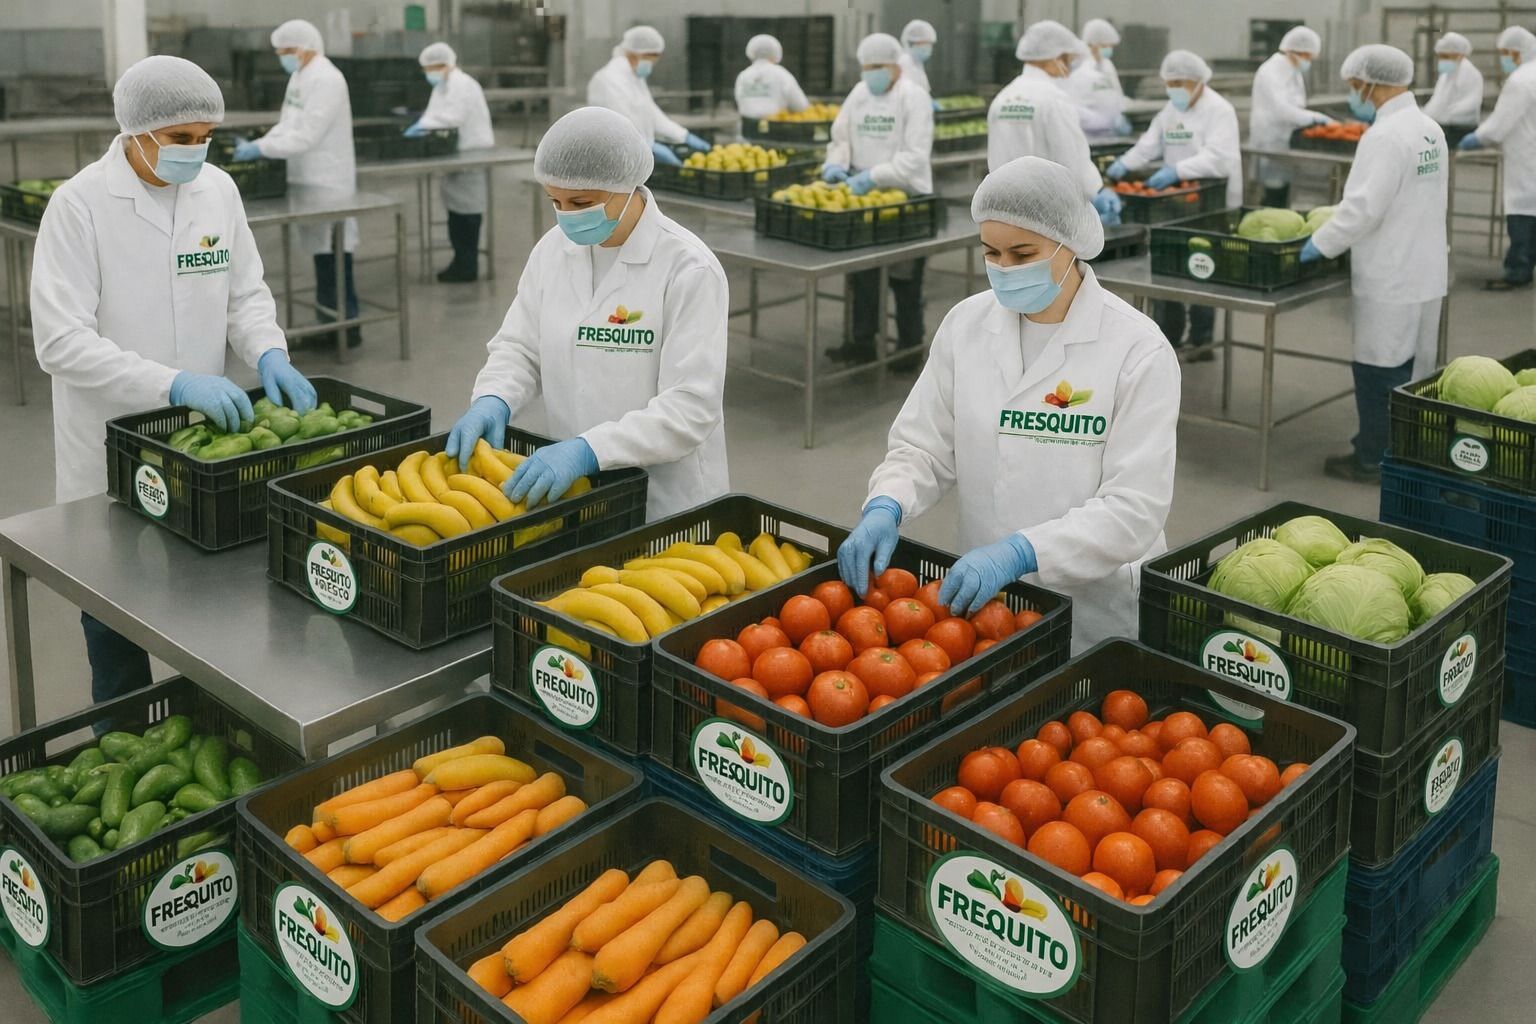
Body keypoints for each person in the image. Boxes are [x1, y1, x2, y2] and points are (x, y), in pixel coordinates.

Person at [31, 56, 315, 702]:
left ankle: (209, 730)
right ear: (136, 131)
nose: (196, 151)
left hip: (199, 447)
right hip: (107, 445)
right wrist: (175, 384)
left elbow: (245, 295)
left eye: (204, 136)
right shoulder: (79, 206)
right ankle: (121, 726)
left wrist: (269, 351)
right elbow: (61, 342)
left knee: (204, 615)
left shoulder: (218, 190)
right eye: (180, 138)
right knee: (113, 616)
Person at [837, 156, 1178, 653]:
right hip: (986, 604)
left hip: (1093, 610)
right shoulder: (966, 325)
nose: (1004, 269)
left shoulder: (1137, 350)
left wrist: (1024, 551)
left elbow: (1133, 510)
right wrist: (887, 503)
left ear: (1071, 243)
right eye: (991, 252)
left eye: (1023, 254)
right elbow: (923, 445)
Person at [443, 107, 727, 522]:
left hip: (665, 503)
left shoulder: (689, 269)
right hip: (578, 494)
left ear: (628, 186)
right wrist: (494, 397)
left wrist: (589, 450)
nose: (566, 216)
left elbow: (690, 408)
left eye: (580, 202)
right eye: (555, 201)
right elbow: (520, 347)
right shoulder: (552, 251)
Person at [1300, 44, 1447, 483]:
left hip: (1391, 272)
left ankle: (1373, 459)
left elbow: (1361, 209)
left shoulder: (1383, 136)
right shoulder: (1428, 127)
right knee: (1416, 371)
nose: (1354, 93)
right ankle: (1407, 451)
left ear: (1372, 83)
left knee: (1379, 369)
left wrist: (1318, 244)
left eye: (1354, 85)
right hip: (1425, 267)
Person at [231, 19, 360, 348]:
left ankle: (347, 327)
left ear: (305, 48)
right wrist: (263, 141)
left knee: (335, 249)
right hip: (304, 176)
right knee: (322, 254)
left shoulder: (328, 78)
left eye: (286, 52)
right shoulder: (300, 76)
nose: (283, 58)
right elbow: (288, 124)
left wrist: (263, 148)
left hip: (328, 178)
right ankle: (328, 323)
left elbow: (308, 133)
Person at [1107, 50, 1241, 359]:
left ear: (1197, 81)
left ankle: (1202, 341)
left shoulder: (1219, 110)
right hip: (1174, 203)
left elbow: (1220, 158)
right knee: (1168, 267)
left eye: (1179, 82)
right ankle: (1168, 339)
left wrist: (1176, 171)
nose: (1173, 89)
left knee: (1201, 267)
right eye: (1169, 82)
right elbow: (1148, 145)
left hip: (1210, 202)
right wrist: (1124, 164)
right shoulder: (1170, 111)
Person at [822, 32, 934, 371]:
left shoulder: (914, 99)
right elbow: (840, 135)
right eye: (865, 67)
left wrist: (874, 176)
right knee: (863, 275)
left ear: (895, 67)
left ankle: (909, 347)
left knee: (904, 278)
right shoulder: (859, 93)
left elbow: (915, 157)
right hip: (863, 198)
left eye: (877, 67)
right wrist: (836, 163)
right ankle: (862, 343)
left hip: (906, 198)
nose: (870, 73)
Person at [989, 21, 1118, 225]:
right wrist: (1095, 192)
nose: (1069, 66)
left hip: (1006, 211)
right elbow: (1072, 159)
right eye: (1068, 59)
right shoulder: (1054, 99)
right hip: (1050, 214)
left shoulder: (1003, 98)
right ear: (1054, 58)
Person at [404, 43, 494, 283]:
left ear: (444, 64)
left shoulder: (461, 85)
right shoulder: (442, 87)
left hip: (472, 151)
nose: (428, 74)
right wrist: (421, 122)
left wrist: (422, 126)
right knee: (455, 209)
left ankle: (468, 265)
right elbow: (433, 114)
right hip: (454, 152)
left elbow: (452, 117)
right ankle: (460, 260)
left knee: (469, 211)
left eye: (430, 68)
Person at [1459, 26, 1536, 291]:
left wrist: (1476, 138)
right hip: (1530, 154)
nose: (1503, 58)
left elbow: (1500, 124)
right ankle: (1524, 266)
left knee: (1522, 212)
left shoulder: (1520, 81)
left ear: (1519, 53)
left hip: (1527, 158)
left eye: (1506, 53)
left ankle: (1518, 270)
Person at [588, 25, 710, 169]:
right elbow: (621, 126)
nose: (651, 65)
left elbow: (651, 113)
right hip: (613, 160)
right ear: (635, 53)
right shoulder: (610, 79)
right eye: (650, 59)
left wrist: (683, 136)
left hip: (636, 159)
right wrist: (650, 146)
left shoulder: (634, 78)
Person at [1248, 26, 1332, 207]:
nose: (1309, 62)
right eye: (1308, 57)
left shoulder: (1292, 70)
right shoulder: (1272, 70)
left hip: (1285, 140)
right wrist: (1315, 118)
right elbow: (1281, 109)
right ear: (1296, 52)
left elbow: (1297, 104)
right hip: (1270, 141)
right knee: (1272, 193)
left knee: (1283, 191)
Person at [1066, 18, 1131, 135]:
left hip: (1111, 134)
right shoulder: (1078, 69)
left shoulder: (1107, 65)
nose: (1109, 49)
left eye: (1111, 46)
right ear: (1092, 44)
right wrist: (1103, 122)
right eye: (1105, 45)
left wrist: (1120, 115)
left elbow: (1116, 94)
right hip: (1088, 136)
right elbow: (1073, 108)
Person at [735, 34, 810, 120]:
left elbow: (739, 101)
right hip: (775, 128)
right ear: (776, 53)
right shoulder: (781, 74)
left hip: (747, 129)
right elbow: (801, 106)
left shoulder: (743, 76)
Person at [1423, 32, 1483, 130]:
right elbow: (1437, 99)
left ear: (1459, 55)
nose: (1442, 60)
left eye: (1446, 56)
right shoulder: (1446, 75)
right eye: (1440, 56)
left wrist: (1445, 114)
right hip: (1446, 124)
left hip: (1462, 127)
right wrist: (1424, 115)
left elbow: (1472, 102)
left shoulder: (1469, 73)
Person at [898, 19, 937, 96]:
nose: (928, 48)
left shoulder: (917, 63)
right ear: (913, 42)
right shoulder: (905, 62)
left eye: (930, 44)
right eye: (925, 43)